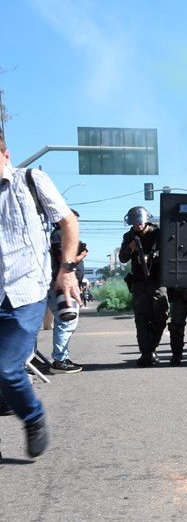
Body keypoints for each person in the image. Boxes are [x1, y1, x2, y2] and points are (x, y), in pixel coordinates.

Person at [1, 130, 79, 457]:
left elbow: (68, 223)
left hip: (24, 291)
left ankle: (33, 417)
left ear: (5, 154)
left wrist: (67, 269)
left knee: (6, 368)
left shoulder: (31, 180)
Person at [118, 206, 169, 367]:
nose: (137, 225)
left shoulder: (158, 233)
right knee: (141, 319)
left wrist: (151, 257)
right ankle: (146, 353)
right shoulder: (129, 236)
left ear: (146, 220)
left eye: (140, 222)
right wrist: (130, 248)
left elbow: (168, 252)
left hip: (157, 281)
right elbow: (122, 258)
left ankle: (151, 349)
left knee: (161, 318)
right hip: (139, 282)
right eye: (134, 223)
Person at [46, 209, 88, 373]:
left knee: (65, 322)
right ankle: (60, 360)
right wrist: (81, 255)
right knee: (66, 322)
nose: (74, 224)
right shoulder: (59, 235)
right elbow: (62, 259)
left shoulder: (62, 235)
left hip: (65, 284)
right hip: (61, 285)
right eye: (72, 220)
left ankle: (60, 358)